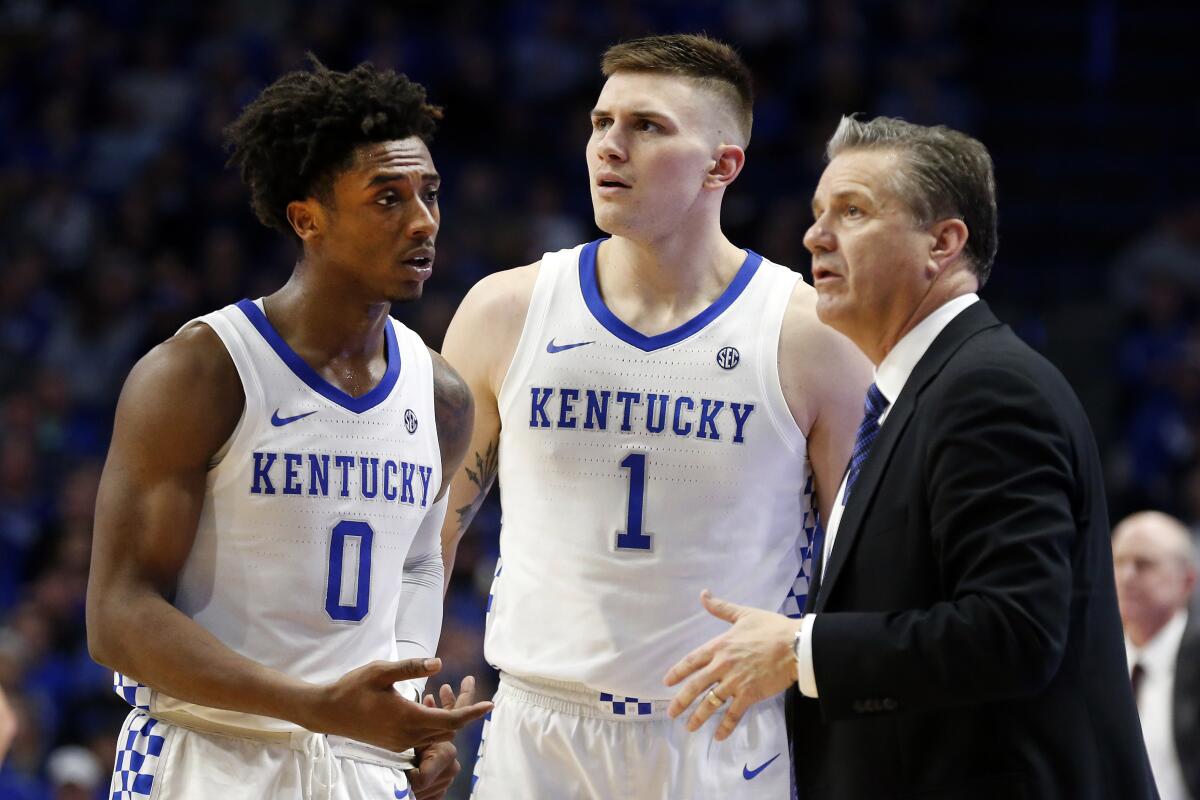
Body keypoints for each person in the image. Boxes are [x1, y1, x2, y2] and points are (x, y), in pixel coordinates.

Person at [663, 114, 1159, 798]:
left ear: (943, 242)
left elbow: (1014, 631)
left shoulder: (988, 389)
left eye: (853, 211)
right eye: (816, 213)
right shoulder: (916, 395)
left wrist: (800, 652)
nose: (815, 235)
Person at [441, 33, 871, 798]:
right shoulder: (505, 311)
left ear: (722, 164)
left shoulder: (812, 336)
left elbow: (867, 565)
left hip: (723, 734)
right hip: (539, 730)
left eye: (647, 126)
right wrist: (406, 690)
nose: (610, 146)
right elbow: (427, 536)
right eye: (601, 123)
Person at [86, 58, 491, 800]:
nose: (424, 220)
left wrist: (401, 717)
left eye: (430, 194)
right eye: (388, 198)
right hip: (206, 754)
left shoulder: (441, 396)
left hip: (355, 767)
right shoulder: (201, 372)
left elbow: (416, 565)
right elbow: (117, 615)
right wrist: (311, 706)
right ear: (308, 218)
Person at [1114, 510, 1200, 800]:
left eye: (1144, 564)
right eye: (1118, 561)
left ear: (1187, 581)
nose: (1127, 576)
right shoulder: (1090, 664)